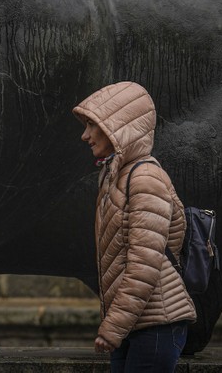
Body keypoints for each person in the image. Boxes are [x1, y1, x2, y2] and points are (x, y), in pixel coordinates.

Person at [73, 81, 196, 372]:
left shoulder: (144, 178)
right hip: (137, 321)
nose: (85, 135)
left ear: (119, 127)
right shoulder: (115, 176)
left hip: (156, 324)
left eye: (93, 125)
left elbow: (145, 263)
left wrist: (113, 325)